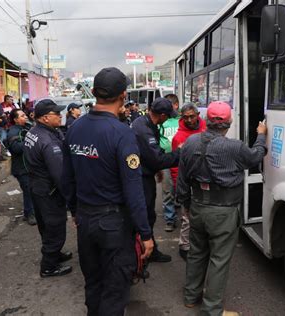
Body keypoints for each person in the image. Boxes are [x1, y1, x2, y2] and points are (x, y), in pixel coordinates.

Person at [62, 67, 153, 315]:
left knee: (93, 284)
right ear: (124, 95)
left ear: (93, 93)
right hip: (114, 225)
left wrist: (75, 212)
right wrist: (145, 233)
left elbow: (66, 179)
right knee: (114, 291)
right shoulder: (122, 133)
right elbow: (134, 190)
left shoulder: (74, 129)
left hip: (85, 220)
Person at [176, 101, 267, 316]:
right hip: (224, 211)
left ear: (206, 121)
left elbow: (182, 179)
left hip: (197, 206)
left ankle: (191, 297)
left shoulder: (190, 143)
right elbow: (256, 155)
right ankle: (211, 310)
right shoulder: (234, 147)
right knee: (219, 260)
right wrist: (261, 134)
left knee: (197, 253)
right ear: (229, 122)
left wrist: (186, 206)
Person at [23, 99, 72, 278]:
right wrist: (71, 198)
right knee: (55, 227)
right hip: (48, 190)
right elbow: (59, 174)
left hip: (38, 186)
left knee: (45, 225)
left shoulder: (36, 131)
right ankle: (49, 266)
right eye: (56, 114)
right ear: (44, 118)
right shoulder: (47, 141)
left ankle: (54, 254)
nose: (60, 116)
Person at [131, 97, 180, 263]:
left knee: (148, 214)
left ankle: (148, 250)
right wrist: (179, 153)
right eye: (168, 115)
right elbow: (157, 158)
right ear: (162, 115)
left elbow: (152, 157)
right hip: (140, 178)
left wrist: (156, 169)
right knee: (144, 215)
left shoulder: (145, 122)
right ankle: (141, 254)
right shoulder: (144, 129)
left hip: (145, 174)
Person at [170, 103, 206, 260]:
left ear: (198, 114)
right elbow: (175, 166)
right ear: (182, 118)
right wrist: (179, 186)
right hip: (188, 183)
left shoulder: (206, 129)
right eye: (186, 117)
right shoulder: (178, 137)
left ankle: (201, 244)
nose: (190, 120)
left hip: (206, 181)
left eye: (192, 116)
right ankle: (184, 246)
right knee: (187, 216)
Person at [7, 109, 36, 225]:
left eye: (25, 115)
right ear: (15, 120)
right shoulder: (13, 132)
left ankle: (29, 212)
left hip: (28, 166)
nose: (25, 117)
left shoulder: (26, 128)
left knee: (31, 190)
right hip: (21, 168)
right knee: (28, 191)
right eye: (22, 116)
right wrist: (29, 141)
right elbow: (16, 149)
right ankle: (30, 214)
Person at [159, 94, 180, 232]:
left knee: (183, 189)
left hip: (181, 160)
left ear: (176, 105)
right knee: (167, 191)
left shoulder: (183, 120)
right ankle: (170, 219)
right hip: (166, 160)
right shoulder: (161, 121)